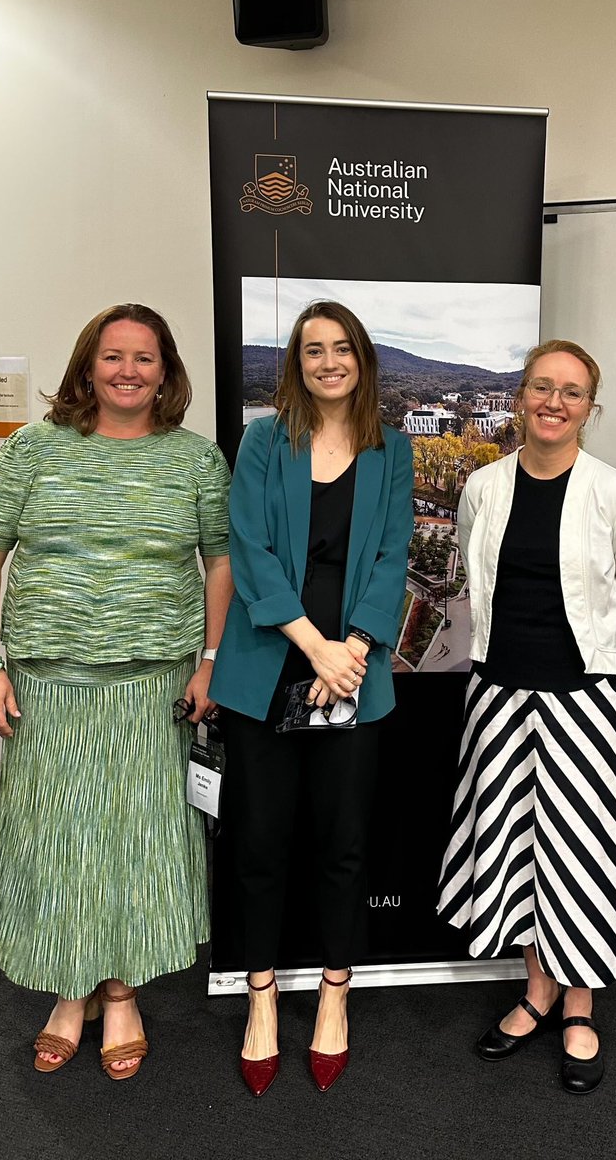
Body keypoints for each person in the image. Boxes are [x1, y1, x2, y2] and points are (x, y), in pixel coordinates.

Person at [0, 303, 232, 1080]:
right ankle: (67, 990)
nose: (127, 372)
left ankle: (121, 992)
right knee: (59, 841)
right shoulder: (33, 451)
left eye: (144, 359)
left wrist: (210, 661)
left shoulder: (193, 461)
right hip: (50, 686)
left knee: (139, 844)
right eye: (112, 357)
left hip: (154, 687)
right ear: (87, 367)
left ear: (166, 373)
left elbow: (220, 561)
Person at [437, 339, 616, 1095]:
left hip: (586, 703)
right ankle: (533, 991)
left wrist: (581, 664)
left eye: (571, 392)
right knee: (519, 854)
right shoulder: (484, 487)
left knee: (581, 856)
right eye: (541, 387)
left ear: (588, 409)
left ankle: (577, 1005)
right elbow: (474, 581)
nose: (553, 402)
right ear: (521, 395)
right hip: (498, 696)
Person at [208, 301, 413, 1097]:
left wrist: (352, 650)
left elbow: (393, 556)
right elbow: (248, 550)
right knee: (257, 842)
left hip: (353, 676)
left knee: (342, 842)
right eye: (311, 350)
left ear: (361, 359)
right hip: (271, 663)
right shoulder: (264, 441)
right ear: (296, 363)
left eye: (340, 349)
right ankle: (261, 1000)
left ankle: (334, 993)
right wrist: (316, 648)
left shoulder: (390, 450)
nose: (327, 361)